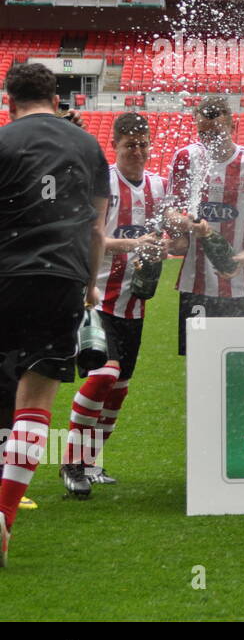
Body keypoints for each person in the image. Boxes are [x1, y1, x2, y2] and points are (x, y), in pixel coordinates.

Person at [0, 63, 109, 565]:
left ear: (10, 100)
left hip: (5, 272)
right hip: (62, 278)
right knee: (36, 402)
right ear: (58, 97)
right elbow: (96, 234)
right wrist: (88, 288)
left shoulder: (4, 141)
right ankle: (4, 518)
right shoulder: (89, 148)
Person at [59, 113, 169, 497]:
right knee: (102, 376)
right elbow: (94, 238)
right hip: (97, 301)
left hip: (134, 307)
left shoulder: (159, 185)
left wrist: (168, 242)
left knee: (118, 389)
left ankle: (92, 463)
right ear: (116, 146)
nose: (138, 152)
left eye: (143, 144)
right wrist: (136, 245)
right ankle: (71, 464)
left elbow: (170, 240)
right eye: (129, 145)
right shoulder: (103, 183)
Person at [166, 97, 244, 356]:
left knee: (243, 359)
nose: (210, 139)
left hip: (241, 283)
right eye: (203, 133)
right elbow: (169, 214)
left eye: (217, 132)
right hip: (196, 285)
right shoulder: (186, 158)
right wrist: (188, 224)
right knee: (198, 361)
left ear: (233, 126)